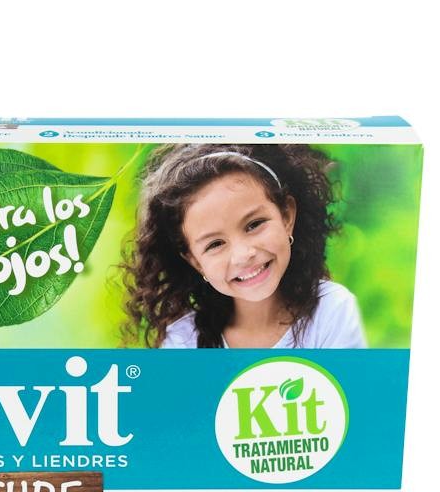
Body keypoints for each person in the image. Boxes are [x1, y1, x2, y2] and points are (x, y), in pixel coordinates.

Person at [123, 144, 366, 349]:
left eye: (254, 225)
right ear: (195, 261)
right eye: (215, 244)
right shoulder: (183, 341)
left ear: (287, 217)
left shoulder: (331, 311)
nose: (243, 255)